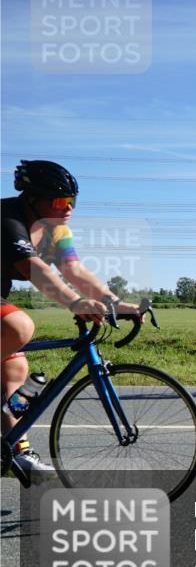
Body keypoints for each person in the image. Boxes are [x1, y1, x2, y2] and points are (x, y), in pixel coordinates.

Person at [1, 160, 143, 483]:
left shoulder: (56, 230)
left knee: (15, 368)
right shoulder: (8, 217)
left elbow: (74, 271)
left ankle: (16, 452)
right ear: (31, 198)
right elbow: (33, 269)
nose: (67, 209)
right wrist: (76, 302)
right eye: (58, 201)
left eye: (71, 202)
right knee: (19, 327)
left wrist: (115, 303)